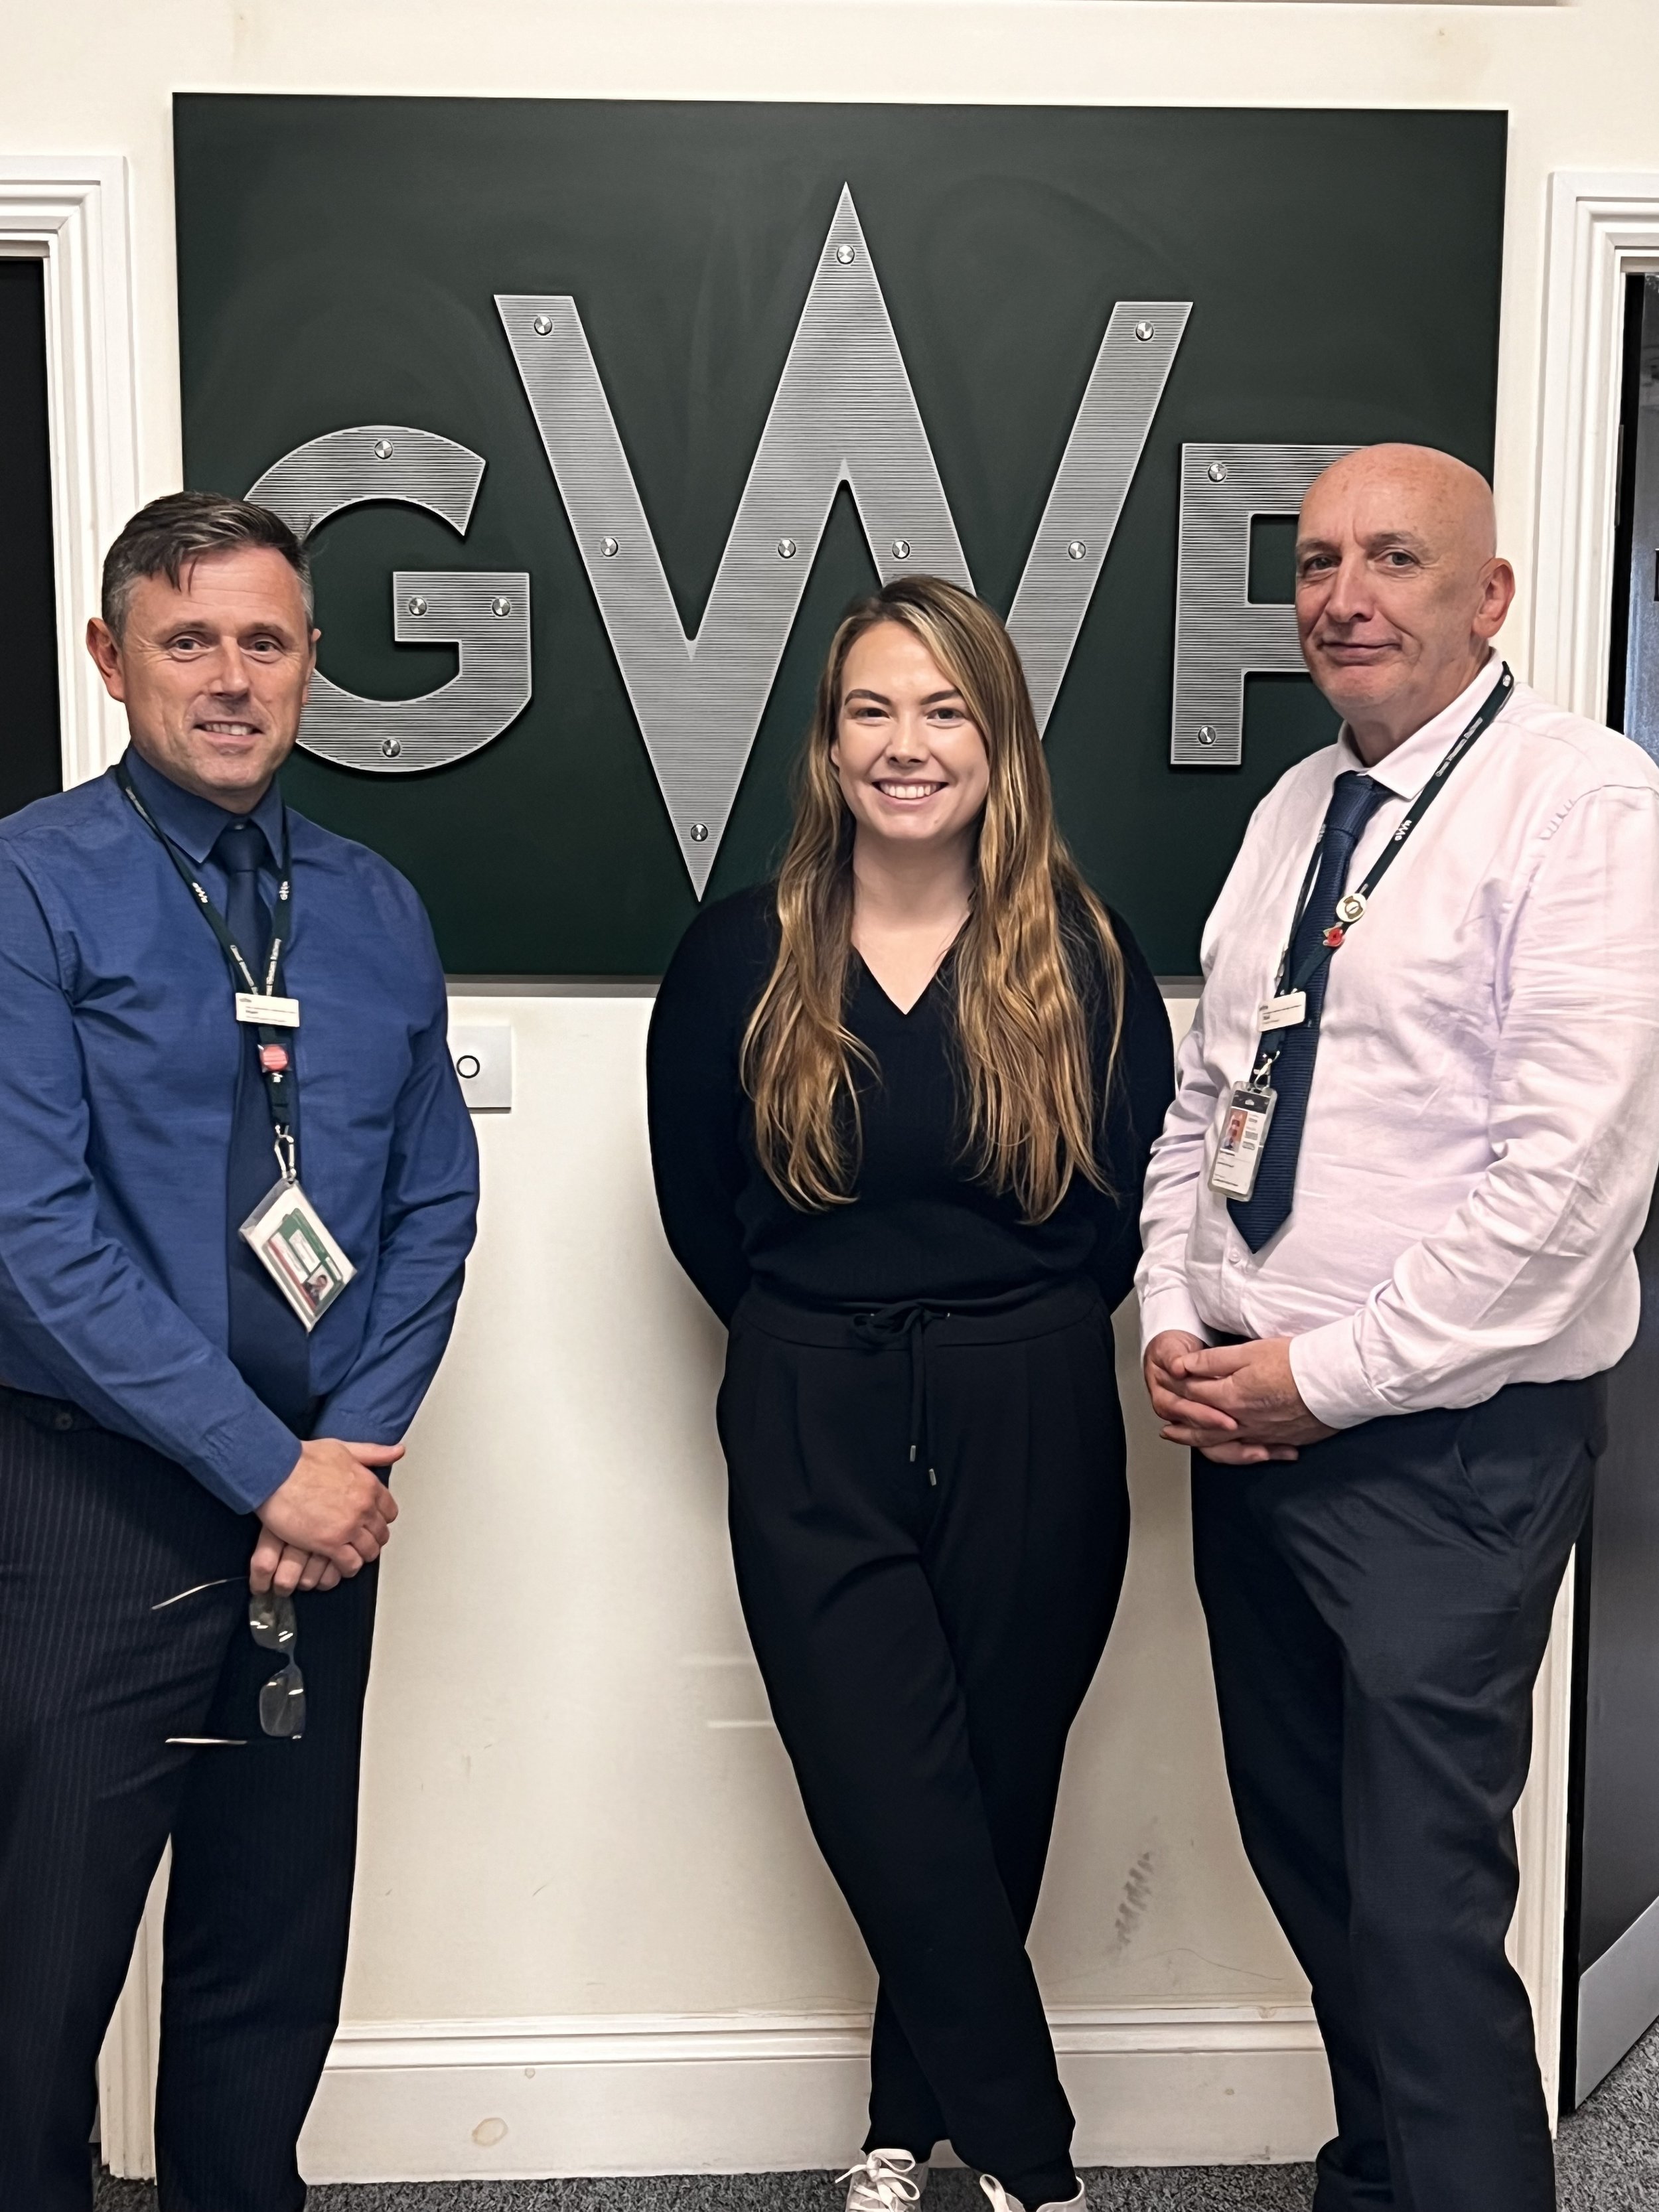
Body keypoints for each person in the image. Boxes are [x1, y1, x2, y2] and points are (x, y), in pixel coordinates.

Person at [1137, 444, 1659, 2212]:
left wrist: (1312, 1376)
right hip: (1248, 1440)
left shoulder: (1579, 805)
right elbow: (1209, 1098)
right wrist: (1172, 1310)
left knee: (1422, 1901)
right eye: (1317, 562)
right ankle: (1382, 2181)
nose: (1344, 594)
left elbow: (1561, 1185)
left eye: (1394, 560)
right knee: (1315, 1869)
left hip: (1441, 1461)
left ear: (1486, 595)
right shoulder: (1295, 809)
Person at [647, 577, 1174, 2212]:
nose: (905, 744)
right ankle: (1033, 2158)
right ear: (826, 739)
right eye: (871, 708)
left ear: (997, 739)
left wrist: (991, 1335)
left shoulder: (1079, 948)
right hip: (810, 1403)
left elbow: (1125, 1205)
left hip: (1032, 1403)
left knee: (986, 1789)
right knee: (884, 1779)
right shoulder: (740, 948)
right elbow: (696, 1202)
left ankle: (902, 2123)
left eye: (944, 709)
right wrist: (836, 1334)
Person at [0, 493, 479, 2211]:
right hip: (87, 1504)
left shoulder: (371, 904)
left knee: (268, 1956)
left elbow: (435, 1200)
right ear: (111, 657)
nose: (227, 676)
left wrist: (343, 1451)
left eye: (263, 640)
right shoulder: (29, 884)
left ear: (310, 666)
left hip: (319, 1518)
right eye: (187, 638)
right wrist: (266, 1459)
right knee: (37, 1974)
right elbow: (31, 1231)